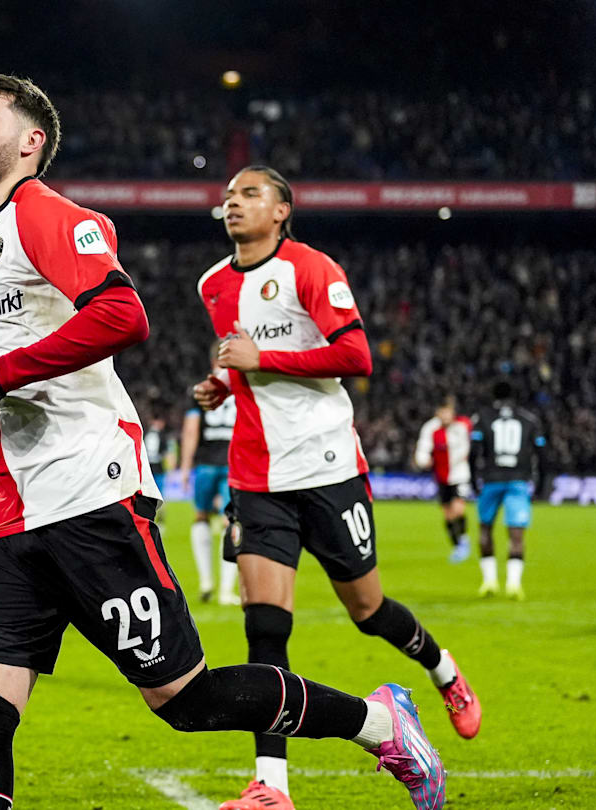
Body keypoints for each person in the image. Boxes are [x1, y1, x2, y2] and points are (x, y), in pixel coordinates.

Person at [0, 74, 447, 810]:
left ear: (30, 142)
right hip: (10, 511)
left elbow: (123, 315)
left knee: (185, 700)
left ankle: (382, 723)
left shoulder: (44, 215)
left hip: (89, 493)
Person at [193, 166, 477, 809]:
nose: (233, 203)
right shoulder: (212, 284)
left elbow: (356, 356)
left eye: (250, 194)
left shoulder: (311, 270)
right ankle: (272, 786)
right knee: (265, 628)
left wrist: (260, 361)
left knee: (369, 611)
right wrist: (221, 386)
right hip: (258, 474)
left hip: (327, 468)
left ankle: (445, 674)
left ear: (283, 209)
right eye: (229, 195)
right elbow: (238, 361)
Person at [469, 380, 546, 600]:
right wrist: (540, 486)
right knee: (516, 533)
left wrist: (475, 481)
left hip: (491, 479)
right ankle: (514, 584)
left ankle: (489, 581)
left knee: (485, 529)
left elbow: (474, 453)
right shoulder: (529, 419)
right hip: (518, 481)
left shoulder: (482, 417)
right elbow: (542, 455)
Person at [179, 340, 241, 604]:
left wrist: (184, 467)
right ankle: (227, 590)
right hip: (232, 464)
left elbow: (191, 430)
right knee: (232, 522)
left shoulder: (199, 389)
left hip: (204, 465)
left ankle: (206, 581)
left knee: (200, 517)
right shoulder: (240, 386)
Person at [413, 397, 474, 563]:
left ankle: (463, 540)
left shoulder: (462, 426)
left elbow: (471, 442)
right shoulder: (430, 428)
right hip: (441, 476)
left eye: (449, 412)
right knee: (447, 514)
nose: (446, 415)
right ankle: (457, 546)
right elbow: (423, 448)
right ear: (437, 413)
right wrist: (422, 460)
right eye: (443, 412)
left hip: (460, 474)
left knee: (458, 509)